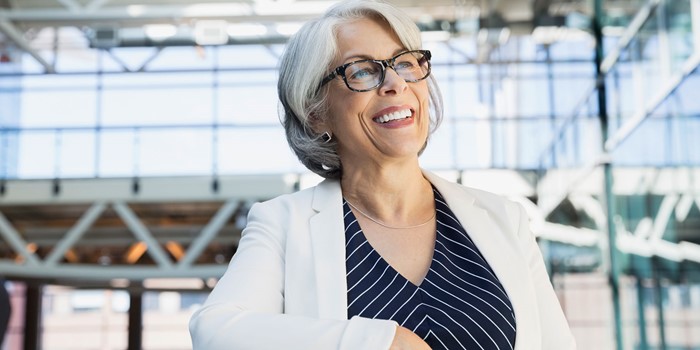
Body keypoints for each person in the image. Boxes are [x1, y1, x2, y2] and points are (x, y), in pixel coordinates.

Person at [189, 0, 576, 349]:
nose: (395, 84)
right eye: (361, 71)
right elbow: (216, 330)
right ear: (316, 112)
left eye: (405, 63)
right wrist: (379, 342)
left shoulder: (503, 218)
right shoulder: (283, 224)